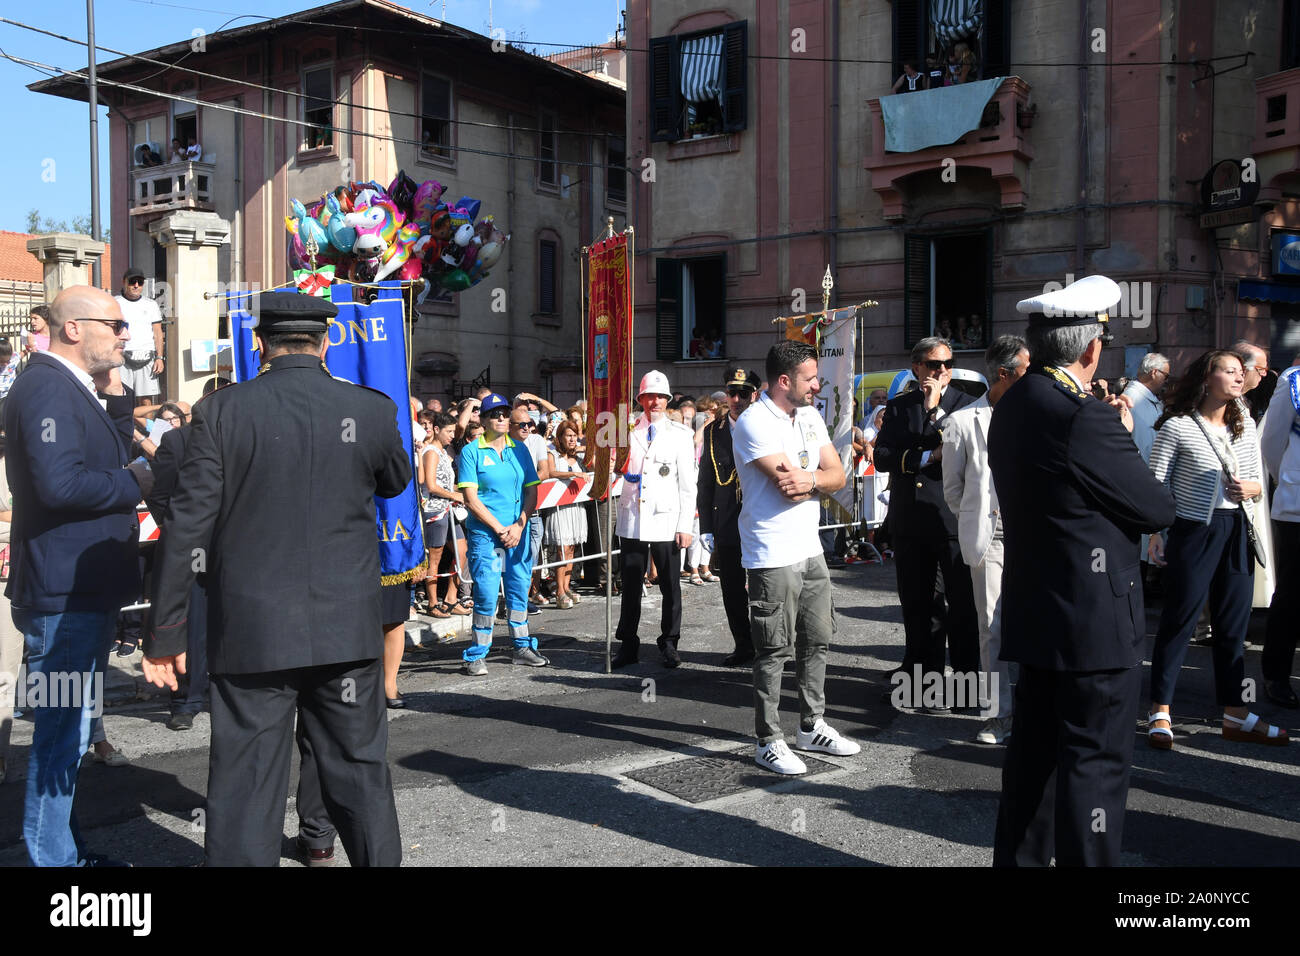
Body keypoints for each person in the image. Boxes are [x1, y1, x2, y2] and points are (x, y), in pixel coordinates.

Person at [143, 291, 410, 867]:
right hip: (345, 627)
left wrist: (165, 632)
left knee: (245, 784)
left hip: (253, 631)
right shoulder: (370, 408)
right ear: (324, 341)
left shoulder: (221, 411)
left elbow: (188, 527)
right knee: (360, 773)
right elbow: (394, 482)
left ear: (261, 342)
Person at [989, 275, 1175, 867]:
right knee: (1094, 771)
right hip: (1093, 626)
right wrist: (1120, 434)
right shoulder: (1085, 417)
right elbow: (1156, 508)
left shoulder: (1014, 401)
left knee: (1033, 766)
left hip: (1039, 612)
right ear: (1091, 348)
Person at [6, 285, 143, 866]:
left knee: (68, 736)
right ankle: (53, 865)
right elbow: (58, 486)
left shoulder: (71, 386)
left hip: (78, 590)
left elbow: (100, 454)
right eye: (114, 324)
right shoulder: (45, 387)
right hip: (63, 595)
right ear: (73, 329)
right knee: (60, 737)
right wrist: (140, 482)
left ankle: (64, 852)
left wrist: (113, 396)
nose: (125, 334)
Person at [1144, 350, 1282, 748]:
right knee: (1180, 620)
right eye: (1230, 371)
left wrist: (1253, 489)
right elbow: (1156, 484)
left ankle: (1236, 714)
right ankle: (1160, 710)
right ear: (1208, 378)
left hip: (1237, 527)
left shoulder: (1245, 426)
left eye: (1242, 372)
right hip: (1193, 530)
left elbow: (1257, 480)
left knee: (1232, 627)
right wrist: (1155, 533)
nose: (1240, 378)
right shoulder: (1177, 427)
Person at [732, 341, 857, 774]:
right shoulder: (753, 422)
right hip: (771, 551)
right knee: (773, 649)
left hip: (810, 547)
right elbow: (790, 485)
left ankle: (812, 725)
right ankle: (768, 739)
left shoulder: (809, 415)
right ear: (784, 381)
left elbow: (838, 475)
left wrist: (814, 479)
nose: (817, 385)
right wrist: (816, 478)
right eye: (810, 378)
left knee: (817, 638)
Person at [873, 336, 979, 708]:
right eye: (934, 365)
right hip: (912, 519)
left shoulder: (966, 403)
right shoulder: (901, 406)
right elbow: (883, 455)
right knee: (918, 606)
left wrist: (934, 412)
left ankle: (968, 691)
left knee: (963, 607)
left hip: (950, 519)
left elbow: (959, 447)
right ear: (917, 366)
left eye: (947, 363)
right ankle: (924, 686)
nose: (942, 371)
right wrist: (923, 457)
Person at [941, 336, 1029, 745]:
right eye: (1026, 371)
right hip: (990, 534)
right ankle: (998, 716)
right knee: (990, 625)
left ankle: (1033, 711)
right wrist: (980, 521)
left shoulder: (1036, 415)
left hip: (1034, 535)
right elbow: (954, 490)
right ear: (1003, 374)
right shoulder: (961, 422)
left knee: (1034, 622)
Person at [612, 371, 697, 669]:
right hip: (633, 518)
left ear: (668, 400)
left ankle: (669, 640)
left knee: (670, 586)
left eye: (660, 397)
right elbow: (612, 469)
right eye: (649, 396)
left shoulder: (681, 435)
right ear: (640, 400)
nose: (655, 402)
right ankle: (628, 642)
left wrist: (685, 526)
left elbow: (688, 485)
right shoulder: (625, 431)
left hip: (666, 519)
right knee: (631, 584)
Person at [457, 393, 546, 674]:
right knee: (485, 592)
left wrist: (520, 524)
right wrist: (499, 528)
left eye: (504, 413)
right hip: (486, 534)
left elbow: (532, 489)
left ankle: (521, 647)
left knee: (519, 590)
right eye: (494, 414)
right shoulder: (472, 452)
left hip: (517, 532)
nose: (501, 418)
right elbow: (470, 499)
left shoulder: (519, 449)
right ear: (482, 420)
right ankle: (476, 654)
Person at [698, 366, 762, 666]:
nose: (736, 399)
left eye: (743, 393)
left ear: (755, 394)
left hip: (761, 517)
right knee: (733, 588)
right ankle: (743, 644)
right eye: (732, 392)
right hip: (726, 519)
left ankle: (772, 646)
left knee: (765, 587)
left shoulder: (767, 424)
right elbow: (706, 481)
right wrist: (706, 526)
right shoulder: (714, 431)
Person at [1260, 355, 1300, 708]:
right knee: (1292, 595)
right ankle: (1276, 675)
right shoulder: (1294, 381)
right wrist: (1286, 479)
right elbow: (1272, 443)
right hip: (1297, 507)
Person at [420, 411, 467, 618]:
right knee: (435, 558)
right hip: (436, 511)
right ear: (437, 430)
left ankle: (451, 597)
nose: (452, 435)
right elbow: (431, 485)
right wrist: (456, 495)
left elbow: (447, 483)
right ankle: (432, 603)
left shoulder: (445, 453)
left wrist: (465, 491)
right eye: (448, 431)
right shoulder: (431, 452)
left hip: (450, 510)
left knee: (462, 551)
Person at [543, 419, 588, 608]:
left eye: (574, 435)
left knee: (571, 549)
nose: (572, 439)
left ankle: (567, 586)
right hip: (560, 509)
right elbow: (550, 472)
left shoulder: (577, 459)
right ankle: (559, 590)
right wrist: (572, 475)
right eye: (568, 435)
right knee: (562, 549)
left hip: (576, 508)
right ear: (560, 437)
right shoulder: (552, 454)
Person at [114, 267, 165, 406]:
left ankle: (146, 428)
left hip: (147, 357)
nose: (136, 285)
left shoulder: (151, 304)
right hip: (122, 357)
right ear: (124, 282)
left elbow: (158, 333)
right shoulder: (114, 302)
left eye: (140, 282)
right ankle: (126, 428)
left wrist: (159, 357)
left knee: (146, 401)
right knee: (122, 398)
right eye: (132, 282)